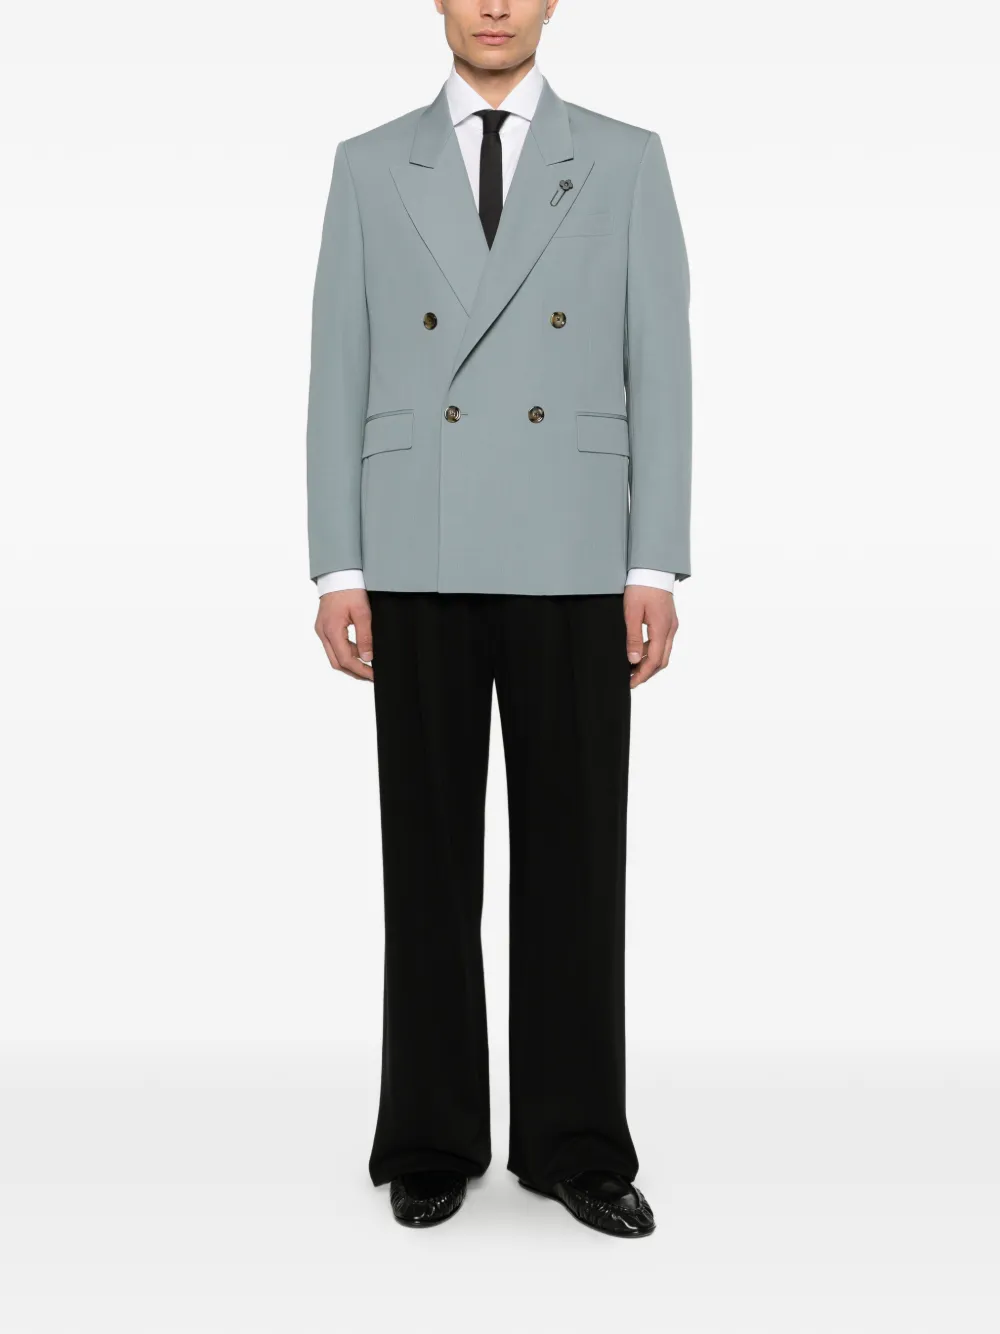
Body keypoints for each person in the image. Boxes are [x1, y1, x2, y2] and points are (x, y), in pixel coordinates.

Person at [307, 0, 690, 1238]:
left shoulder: (624, 159)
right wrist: (338, 566)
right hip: (415, 541)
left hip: (574, 550)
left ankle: (575, 1143)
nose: (493, 6)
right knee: (426, 860)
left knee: (576, 862)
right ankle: (430, 1136)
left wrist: (652, 560)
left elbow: (659, 363)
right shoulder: (369, 165)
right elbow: (339, 366)